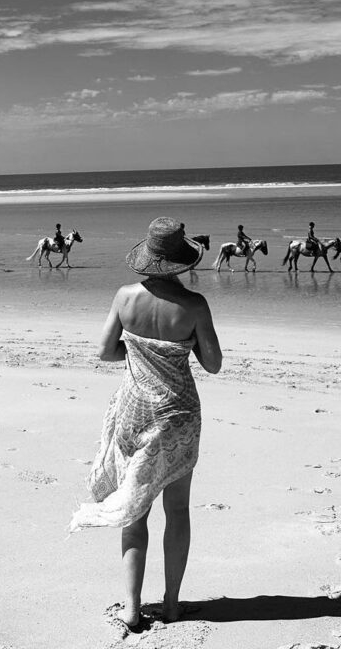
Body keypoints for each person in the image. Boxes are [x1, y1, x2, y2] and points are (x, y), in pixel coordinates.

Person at [71, 218, 222, 630]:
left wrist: (139, 354)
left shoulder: (125, 297)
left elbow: (105, 351)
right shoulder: (194, 305)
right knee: (177, 509)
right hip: (177, 416)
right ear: (181, 262)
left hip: (134, 412)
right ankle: (172, 604)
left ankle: (132, 607)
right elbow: (213, 364)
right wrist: (177, 350)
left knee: (135, 512)